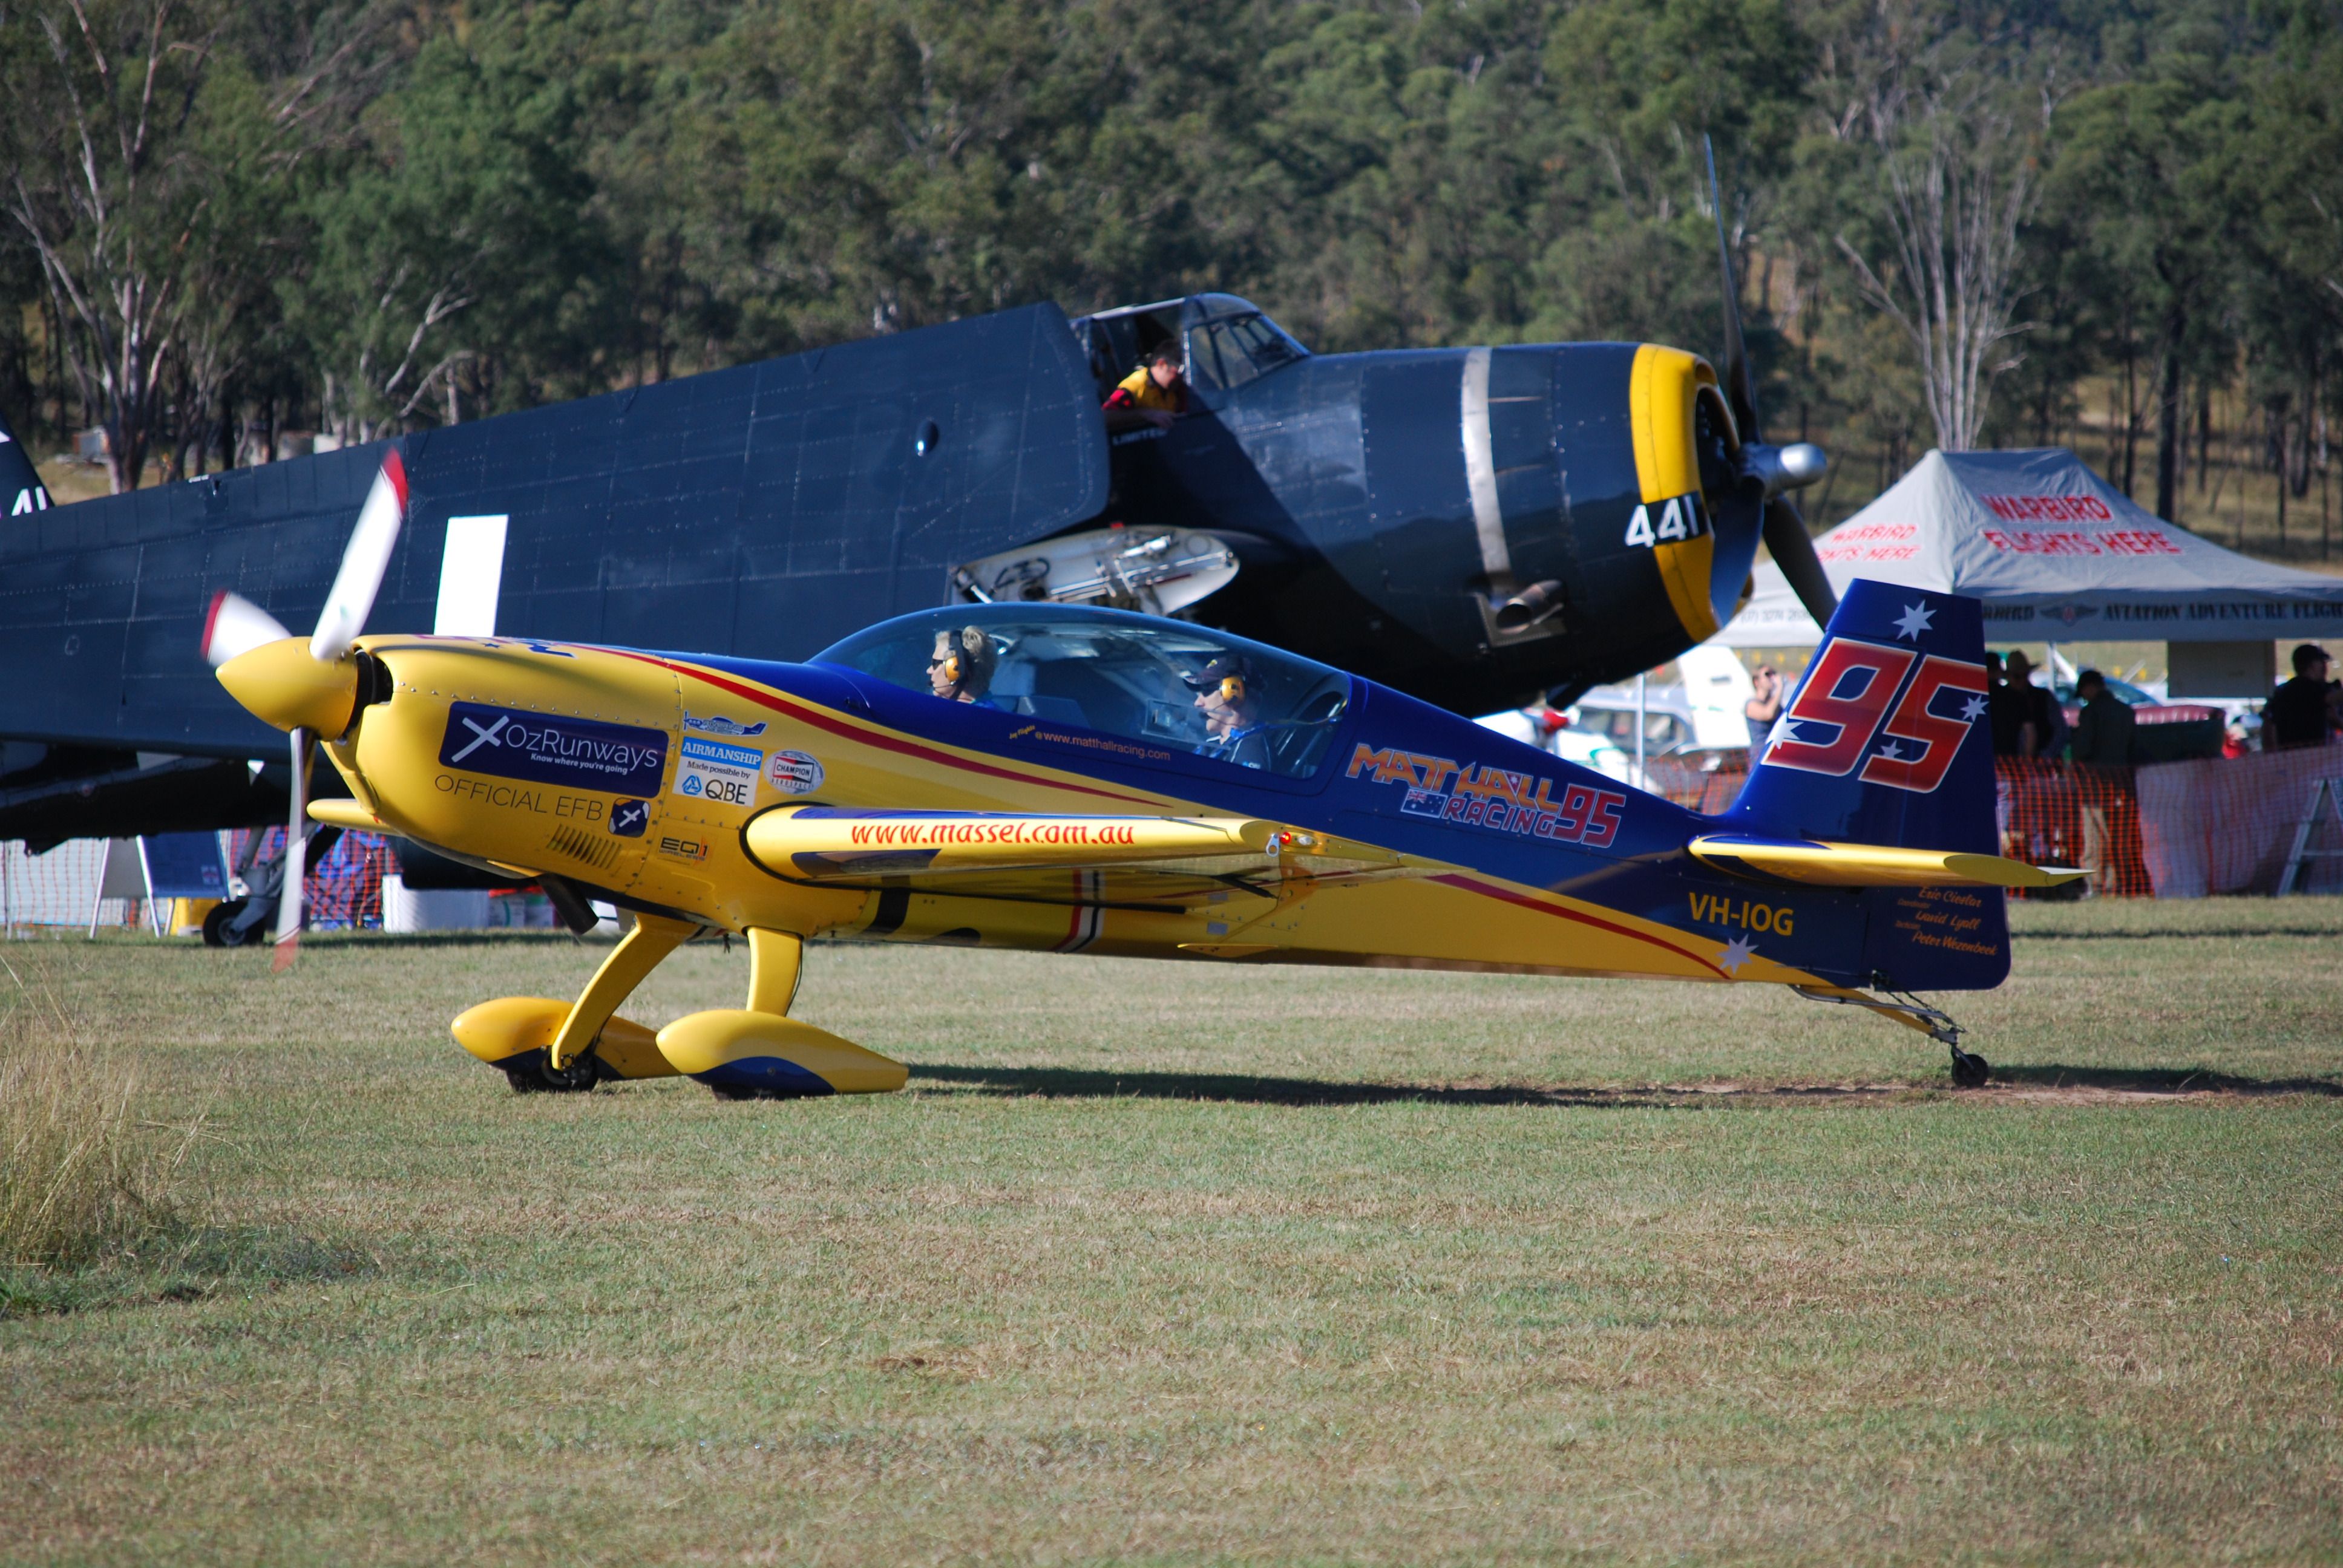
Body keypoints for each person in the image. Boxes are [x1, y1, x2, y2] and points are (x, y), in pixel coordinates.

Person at [1186, 654, 1271, 768]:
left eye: (1206, 691)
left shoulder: (1249, 749)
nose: (1197, 703)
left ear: (1233, 692)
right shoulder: (1212, 744)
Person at [2264, 643, 2339, 748]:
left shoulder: (2282, 691)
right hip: (2312, 754)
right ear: (2311, 665)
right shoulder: (2310, 689)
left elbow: (2268, 723)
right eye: (2321, 662)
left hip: (2288, 754)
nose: (2325, 667)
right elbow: (2333, 703)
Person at [1103, 346, 1190, 432]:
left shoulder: (1177, 388)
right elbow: (1105, 417)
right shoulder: (1135, 387)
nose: (1183, 377)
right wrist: (1146, 414)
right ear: (1162, 364)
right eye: (1181, 371)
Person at [2068, 669, 2135, 766]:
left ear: (2090, 688)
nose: (2084, 698)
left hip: (2096, 775)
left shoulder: (2091, 712)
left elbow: (2083, 748)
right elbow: (2134, 748)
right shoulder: (2126, 711)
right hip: (2123, 774)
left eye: (2083, 693)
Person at [928, 626, 997, 704]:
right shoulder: (989, 712)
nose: (929, 671)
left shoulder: (976, 715)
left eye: (935, 663)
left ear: (955, 668)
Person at [1743, 664, 1783, 751]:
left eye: (1774, 674)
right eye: (1767, 674)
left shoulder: (1776, 705)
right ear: (1756, 682)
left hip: (1776, 752)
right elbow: (1768, 714)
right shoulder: (1751, 704)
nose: (1772, 678)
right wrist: (1780, 688)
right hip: (1761, 755)